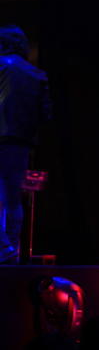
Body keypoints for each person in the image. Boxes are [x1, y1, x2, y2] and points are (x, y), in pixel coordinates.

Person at [0, 25, 50, 264]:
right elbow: (46, 115)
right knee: (13, 200)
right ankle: (11, 252)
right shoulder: (37, 74)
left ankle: (4, 247)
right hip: (20, 143)